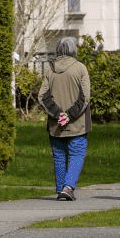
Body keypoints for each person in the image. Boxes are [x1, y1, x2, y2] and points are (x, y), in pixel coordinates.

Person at [38, 36, 92, 200]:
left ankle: (61, 187)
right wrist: (69, 115)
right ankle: (68, 188)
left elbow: (43, 96)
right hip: (78, 124)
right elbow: (85, 97)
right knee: (77, 153)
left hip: (55, 125)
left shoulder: (50, 70)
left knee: (59, 155)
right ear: (73, 50)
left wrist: (57, 114)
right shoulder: (80, 69)